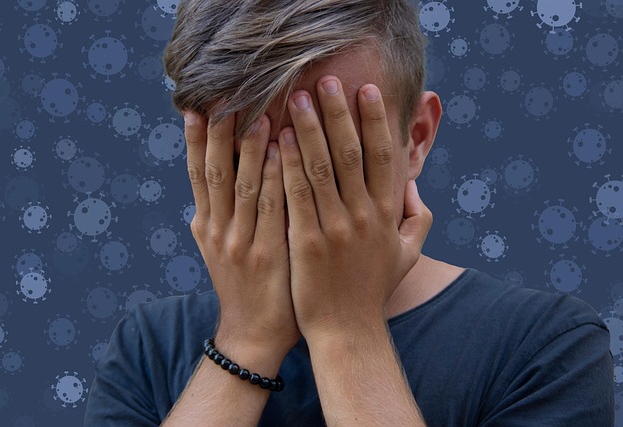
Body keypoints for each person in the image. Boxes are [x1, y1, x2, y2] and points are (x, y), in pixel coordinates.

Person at [84, 0, 615, 425]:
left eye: (332, 155)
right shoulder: (148, 347)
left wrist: (347, 327)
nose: (292, 191)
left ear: (415, 138)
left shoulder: (545, 347)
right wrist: (246, 340)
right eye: (251, 157)